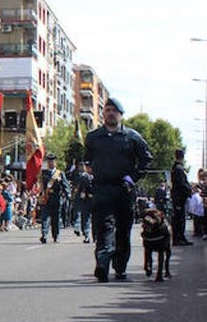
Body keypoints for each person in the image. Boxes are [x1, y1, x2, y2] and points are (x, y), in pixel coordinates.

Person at [84, 96, 154, 282]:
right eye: (107, 110)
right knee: (104, 228)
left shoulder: (132, 137)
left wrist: (132, 178)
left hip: (124, 190)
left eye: (114, 111)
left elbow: (146, 159)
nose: (111, 114)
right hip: (102, 188)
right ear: (103, 113)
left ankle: (120, 268)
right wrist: (90, 168)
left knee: (123, 230)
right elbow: (87, 158)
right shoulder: (93, 137)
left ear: (121, 115)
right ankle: (102, 265)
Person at [37, 153, 69, 244]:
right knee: (44, 218)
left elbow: (65, 185)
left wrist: (67, 195)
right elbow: (40, 184)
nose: (51, 163)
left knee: (55, 219)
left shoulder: (60, 173)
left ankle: (56, 236)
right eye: (49, 161)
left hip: (56, 199)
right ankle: (44, 235)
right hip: (46, 198)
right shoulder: (43, 173)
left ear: (55, 162)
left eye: (53, 161)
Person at [170, 148, 192, 246]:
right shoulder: (179, 168)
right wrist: (188, 190)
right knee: (179, 218)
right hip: (179, 197)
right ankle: (178, 237)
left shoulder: (176, 167)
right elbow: (181, 183)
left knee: (178, 218)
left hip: (177, 196)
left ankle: (179, 237)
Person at [71, 161, 94, 243]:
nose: (88, 168)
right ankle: (87, 235)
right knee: (86, 218)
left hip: (95, 201)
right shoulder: (83, 178)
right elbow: (80, 188)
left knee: (95, 219)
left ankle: (95, 235)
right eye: (87, 167)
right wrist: (81, 194)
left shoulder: (97, 176)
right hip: (86, 201)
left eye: (88, 167)